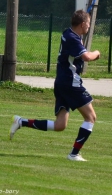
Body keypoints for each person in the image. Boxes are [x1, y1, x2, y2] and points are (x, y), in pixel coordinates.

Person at [10, 10, 100, 162]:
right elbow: (86, 57)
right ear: (83, 24)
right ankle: (73, 154)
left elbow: (79, 46)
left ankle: (21, 122)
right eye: (89, 23)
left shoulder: (68, 33)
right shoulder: (72, 38)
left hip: (61, 82)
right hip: (71, 83)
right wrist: (97, 53)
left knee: (60, 125)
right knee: (91, 117)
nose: (90, 26)